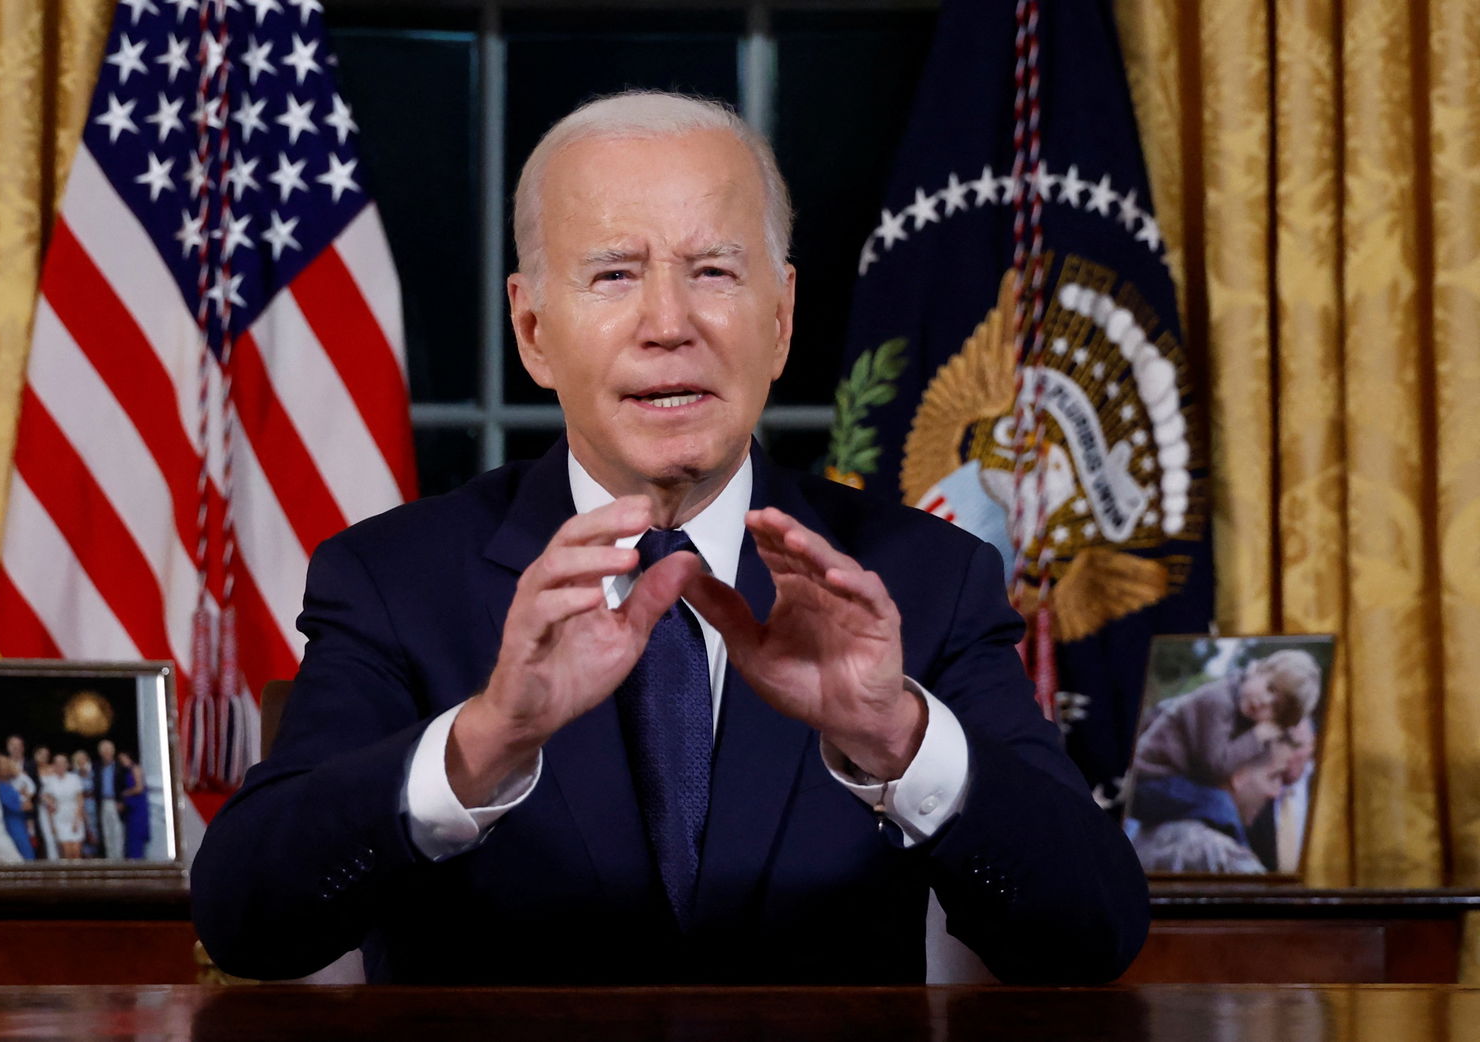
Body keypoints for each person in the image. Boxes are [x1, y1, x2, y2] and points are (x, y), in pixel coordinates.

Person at [191, 90, 1148, 986]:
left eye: (714, 273)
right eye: (614, 275)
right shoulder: (395, 579)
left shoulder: (924, 577)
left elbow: (1092, 934)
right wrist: (489, 740)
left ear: (779, 322)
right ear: (533, 329)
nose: (668, 324)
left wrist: (894, 736)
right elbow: (249, 923)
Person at [1131, 650, 1320, 790]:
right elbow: (1215, 767)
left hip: (1171, 776)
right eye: (1270, 688)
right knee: (1217, 804)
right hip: (1149, 773)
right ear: (1257, 670)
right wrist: (1257, 735)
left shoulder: (1242, 709)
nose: (1264, 702)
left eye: (1275, 707)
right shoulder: (1219, 700)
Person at [1131, 742, 1289, 874]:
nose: (1275, 792)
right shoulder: (1221, 857)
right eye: (1273, 776)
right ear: (1239, 775)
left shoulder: (1141, 835)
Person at [1247, 716, 1317, 873]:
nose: (1288, 755)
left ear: (1313, 744)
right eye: (1280, 742)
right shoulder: (1250, 787)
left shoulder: (1328, 788)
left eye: (1296, 746)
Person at [42, 754, 86, 860]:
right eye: (57, 764)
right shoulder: (50, 781)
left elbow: (80, 801)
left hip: (74, 815)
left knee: (76, 851)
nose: (60, 766)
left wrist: (77, 819)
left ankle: (78, 876)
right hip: (59, 817)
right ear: (54, 766)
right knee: (66, 852)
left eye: (63, 763)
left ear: (67, 765)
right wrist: (52, 822)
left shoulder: (74, 778)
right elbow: (45, 798)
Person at [0, 754, 37, 860]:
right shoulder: (0, 785)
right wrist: (26, 800)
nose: (6, 767)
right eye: (3, 765)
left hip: (20, 822)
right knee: (25, 852)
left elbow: (29, 789)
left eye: (7, 764)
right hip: (12, 824)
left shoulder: (10, 783)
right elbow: (25, 806)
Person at [94, 739, 126, 859]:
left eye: (108, 751)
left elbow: (125, 785)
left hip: (116, 802)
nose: (106, 753)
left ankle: (119, 859)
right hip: (103, 803)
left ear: (113, 752)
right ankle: (110, 859)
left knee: (117, 832)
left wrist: (122, 801)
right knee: (106, 833)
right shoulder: (98, 767)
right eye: (104, 751)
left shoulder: (119, 766)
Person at [118, 751, 150, 859]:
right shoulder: (125, 771)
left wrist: (126, 793)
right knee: (130, 835)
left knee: (136, 835)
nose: (122, 761)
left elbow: (139, 787)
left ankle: (137, 859)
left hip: (138, 806)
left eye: (124, 758)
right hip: (131, 808)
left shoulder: (135, 768)